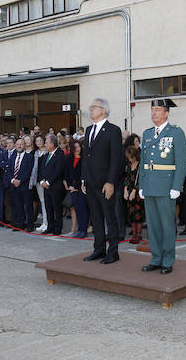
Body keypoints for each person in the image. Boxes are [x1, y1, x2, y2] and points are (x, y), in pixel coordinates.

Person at [139, 98, 186, 275]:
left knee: (167, 225)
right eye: (152, 110)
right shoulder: (147, 133)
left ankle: (168, 259)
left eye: (158, 110)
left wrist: (177, 186)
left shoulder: (175, 133)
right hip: (150, 184)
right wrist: (142, 185)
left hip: (167, 186)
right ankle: (156, 258)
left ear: (166, 113)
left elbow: (181, 162)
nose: (154, 113)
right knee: (152, 225)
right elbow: (144, 162)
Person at [80, 97, 124, 263]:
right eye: (90, 107)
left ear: (103, 110)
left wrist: (111, 182)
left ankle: (113, 252)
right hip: (90, 182)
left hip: (105, 183)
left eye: (94, 107)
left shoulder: (113, 130)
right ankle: (99, 249)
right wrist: (83, 178)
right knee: (96, 218)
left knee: (110, 217)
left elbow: (116, 159)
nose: (91, 110)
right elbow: (86, 157)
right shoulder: (89, 129)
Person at [39, 134, 66, 235]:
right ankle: (50, 227)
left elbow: (58, 170)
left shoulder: (60, 154)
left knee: (57, 208)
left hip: (55, 186)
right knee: (48, 207)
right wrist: (42, 181)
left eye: (46, 142)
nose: (45, 144)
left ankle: (58, 228)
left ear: (52, 143)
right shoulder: (46, 155)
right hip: (46, 187)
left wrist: (48, 182)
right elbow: (41, 170)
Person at [8, 137, 35, 232]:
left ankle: (30, 225)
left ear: (25, 145)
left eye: (21, 144)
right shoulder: (12, 156)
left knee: (28, 206)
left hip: (25, 185)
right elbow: (9, 170)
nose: (19, 146)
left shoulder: (29, 157)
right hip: (14, 185)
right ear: (15, 145)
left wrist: (20, 180)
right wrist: (12, 180)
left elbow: (29, 171)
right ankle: (20, 224)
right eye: (18, 144)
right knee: (18, 206)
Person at [123, 146, 144, 243]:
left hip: (138, 192)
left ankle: (138, 235)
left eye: (131, 157)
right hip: (129, 191)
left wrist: (135, 190)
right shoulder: (127, 165)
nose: (130, 159)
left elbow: (142, 180)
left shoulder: (141, 166)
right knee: (131, 214)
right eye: (128, 157)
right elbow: (126, 179)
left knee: (138, 215)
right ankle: (134, 234)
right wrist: (125, 190)